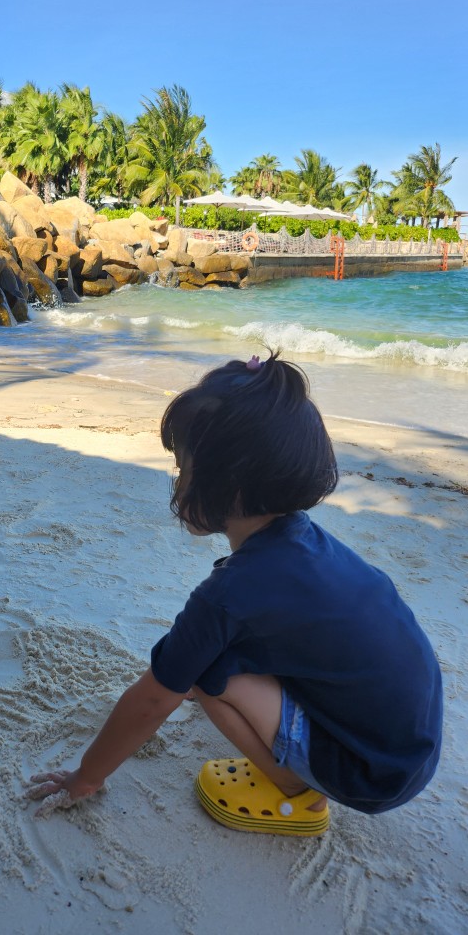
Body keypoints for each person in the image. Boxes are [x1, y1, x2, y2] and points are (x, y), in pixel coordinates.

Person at [27, 353, 442, 835]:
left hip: (368, 773)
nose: (178, 482)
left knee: (206, 672)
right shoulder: (309, 544)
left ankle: (296, 790)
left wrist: (85, 778)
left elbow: (152, 700)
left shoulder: (228, 595)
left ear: (230, 485)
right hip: (408, 746)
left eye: (183, 469)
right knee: (223, 653)